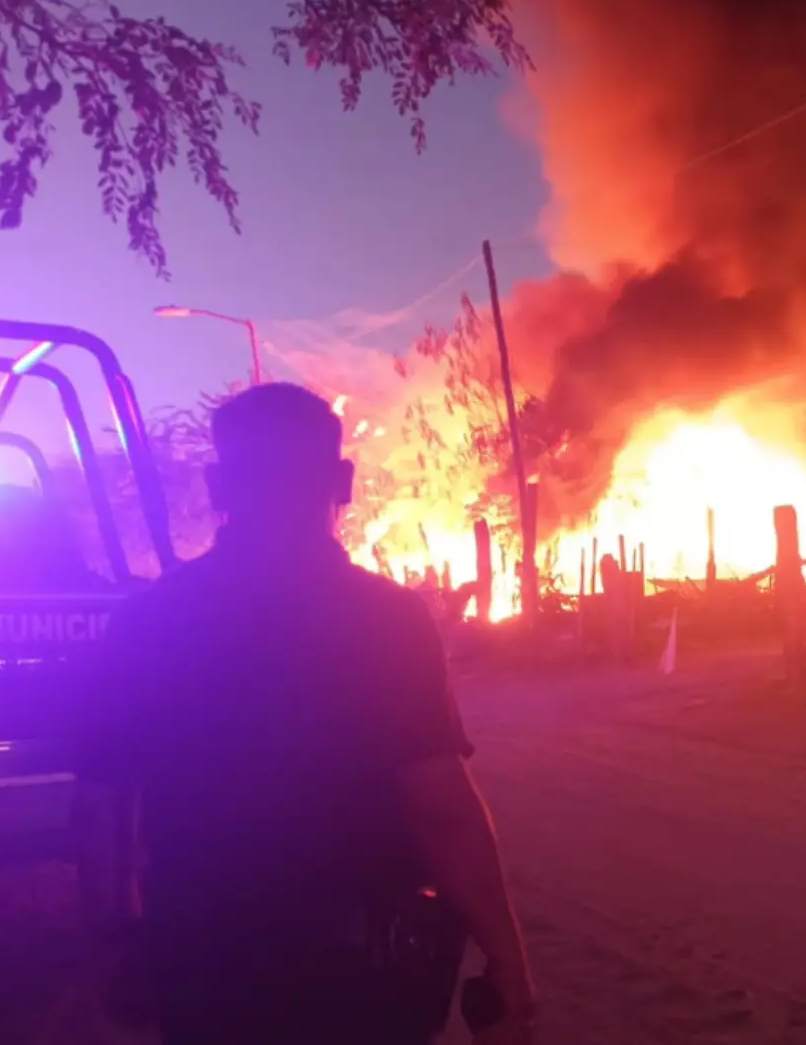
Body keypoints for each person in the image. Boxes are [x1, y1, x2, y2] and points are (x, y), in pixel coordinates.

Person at [74, 383, 536, 1044]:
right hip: (359, 983)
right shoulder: (386, 619)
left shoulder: (149, 620)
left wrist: (116, 944)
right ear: (341, 482)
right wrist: (507, 954)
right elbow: (440, 807)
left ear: (217, 487)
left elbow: (103, 806)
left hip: (207, 969)